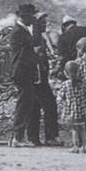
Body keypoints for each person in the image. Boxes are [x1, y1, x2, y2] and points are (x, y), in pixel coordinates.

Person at [27, 12, 61, 147]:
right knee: (50, 106)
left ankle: (33, 137)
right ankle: (49, 136)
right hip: (37, 78)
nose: (45, 24)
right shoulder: (34, 37)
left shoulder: (38, 36)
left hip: (39, 78)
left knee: (34, 108)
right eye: (42, 22)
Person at [8, 3, 39, 147]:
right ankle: (17, 137)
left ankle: (19, 136)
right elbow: (34, 43)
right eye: (32, 16)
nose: (33, 19)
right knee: (23, 104)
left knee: (26, 103)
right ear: (24, 16)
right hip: (22, 71)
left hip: (24, 71)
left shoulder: (22, 30)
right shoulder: (19, 32)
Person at [57, 60, 86, 153]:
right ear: (78, 71)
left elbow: (60, 98)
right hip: (82, 110)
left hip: (71, 111)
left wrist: (62, 106)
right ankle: (85, 145)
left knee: (74, 130)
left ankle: (75, 146)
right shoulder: (83, 84)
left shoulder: (65, 85)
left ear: (65, 73)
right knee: (83, 129)